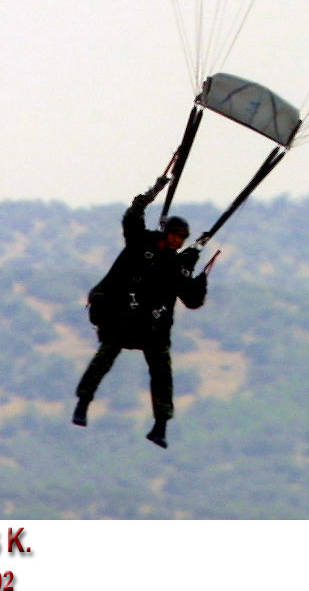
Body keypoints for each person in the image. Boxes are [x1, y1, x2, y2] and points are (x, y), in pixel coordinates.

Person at [73, 173, 212, 448]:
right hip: (122, 319)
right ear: (166, 232)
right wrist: (156, 189)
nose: (177, 241)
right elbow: (132, 215)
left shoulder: (178, 265)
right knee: (104, 358)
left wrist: (202, 279)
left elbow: (193, 300)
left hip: (153, 328)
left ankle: (160, 425)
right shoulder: (141, 243)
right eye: (174, 235)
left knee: (162, 372)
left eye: (183, 238)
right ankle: (83, 404)